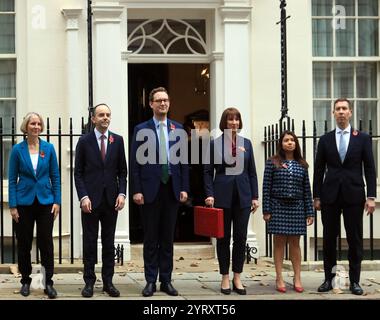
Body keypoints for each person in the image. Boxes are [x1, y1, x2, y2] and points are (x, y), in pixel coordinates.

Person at [313, 98, 376, 295]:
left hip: (354, 196)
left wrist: (372, 196)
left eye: (344, 109)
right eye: (338, 109)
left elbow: (370, 168)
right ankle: (329, 280)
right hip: (329, 196)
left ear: (350, 112)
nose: (341, 112)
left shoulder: (362, 138)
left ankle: (355, 281)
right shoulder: (325, 140)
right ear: (333, 113)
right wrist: (316, 196)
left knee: (355, 240)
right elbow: (318, 170)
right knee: (329, 240)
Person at [130, 87, 189, 297]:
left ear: (169, 103)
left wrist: (184, 188)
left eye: (165, 100)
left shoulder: (178, 128)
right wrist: (136, 190)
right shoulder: (141, 129)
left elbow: (183, 161)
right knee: (150, 237)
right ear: (151, 104)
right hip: (149, 191)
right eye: (158, 100)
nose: (162, 104)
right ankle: (149, 281)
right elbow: (135, 163)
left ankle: (166, 280)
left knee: (167, 238)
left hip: (171, 190)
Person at [203, 107, 259, 295]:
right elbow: (207, 171)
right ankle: (225, 276)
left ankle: (237, 276)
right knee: (223, 238)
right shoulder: (214, 144)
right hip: (222, 196)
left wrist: (255, 196)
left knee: (241, 238)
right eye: (230, 120)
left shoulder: (247, 144)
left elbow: (252, 172)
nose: (234, 123)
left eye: (237, 119)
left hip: (243, 197)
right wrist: (209, 193)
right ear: (224, 123)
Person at [74, 103, 127, 298]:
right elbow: (77, 173)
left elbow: (123, 172)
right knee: (89, 242)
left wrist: (122, 194)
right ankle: (89, 282)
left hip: (111, 200)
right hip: (90, 200)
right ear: (93, 119)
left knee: (108, 241)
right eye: (101, 115)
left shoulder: (118, 140)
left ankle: (108, 282)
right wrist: (83, 196)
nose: (105, 118)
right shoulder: (85, 141)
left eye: (108, 115)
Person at [8, 112, 61, 299]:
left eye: (39, 124)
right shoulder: (17, 150)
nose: (36, 127)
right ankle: (25, 281)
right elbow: (12, 179)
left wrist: (57, 201)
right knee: (24, 243)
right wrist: (12, 206)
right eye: (33, 124)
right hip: (23, 203)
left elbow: (55, 176)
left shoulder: (49, 148)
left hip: (46, 201)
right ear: (26, 126)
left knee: (46, 243)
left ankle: (47, 282)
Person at [262, 130, 314, 293]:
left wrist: (309, 212)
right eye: (286, 140)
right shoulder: (272, 162)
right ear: (281, 144)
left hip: (297, 208)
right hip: (277, 206)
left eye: (292, 140)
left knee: (295, 243)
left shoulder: (302, 164)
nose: (289, 142)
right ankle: (279, 277)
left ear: (296, 144)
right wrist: (267, 210)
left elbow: (307, 190)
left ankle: (297, 277)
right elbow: (266, 188)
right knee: (278, 243)